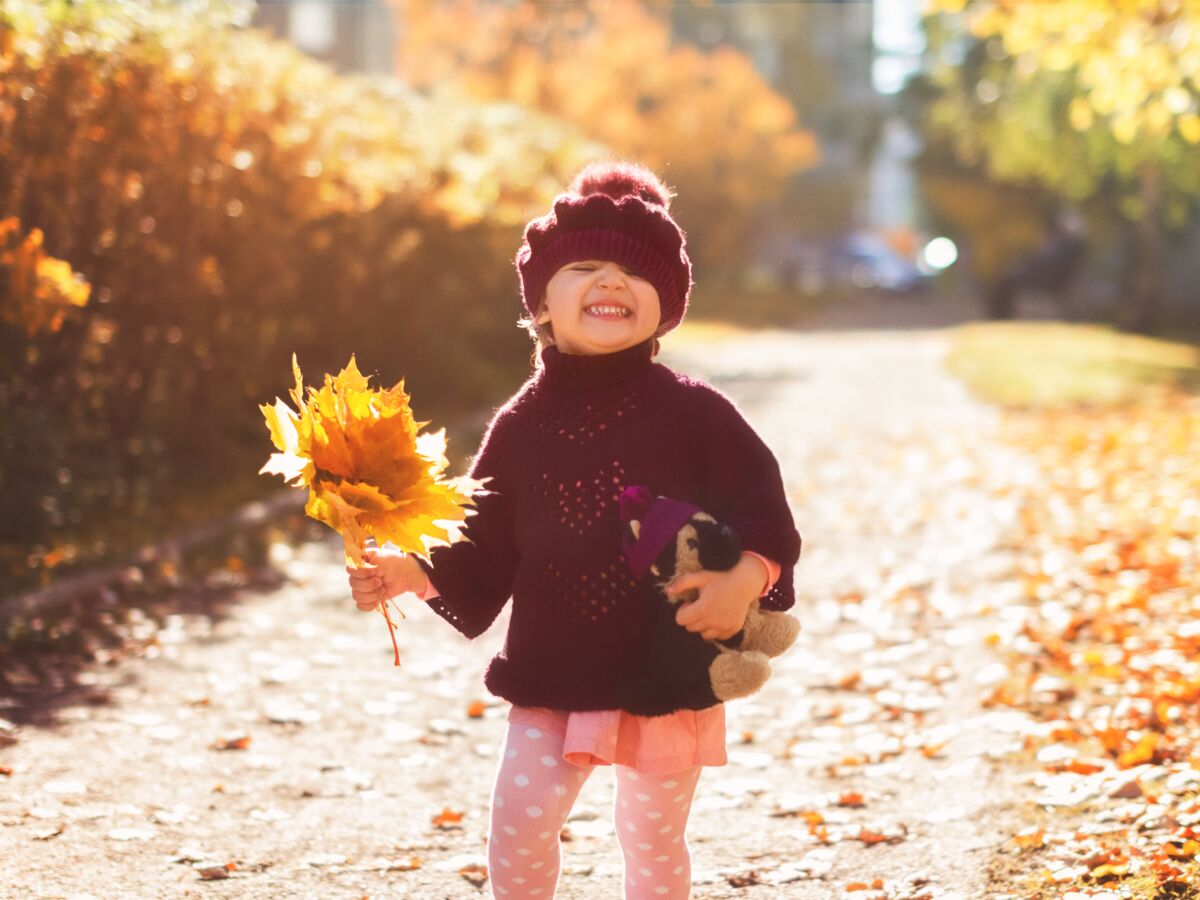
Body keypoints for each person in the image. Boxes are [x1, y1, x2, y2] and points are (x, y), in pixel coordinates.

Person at [346, 161, 801, 900]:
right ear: (543, 306)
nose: (611, 282)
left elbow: (763, 506)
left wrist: (745, 578)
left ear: (667, 305)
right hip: (553, 669)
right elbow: (480, 542)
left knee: (651, 840)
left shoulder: (696, 412)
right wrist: (407, 569)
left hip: (664, 669)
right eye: (586, 267)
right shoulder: (522, 425)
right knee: (518, 826)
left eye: (634, 272)